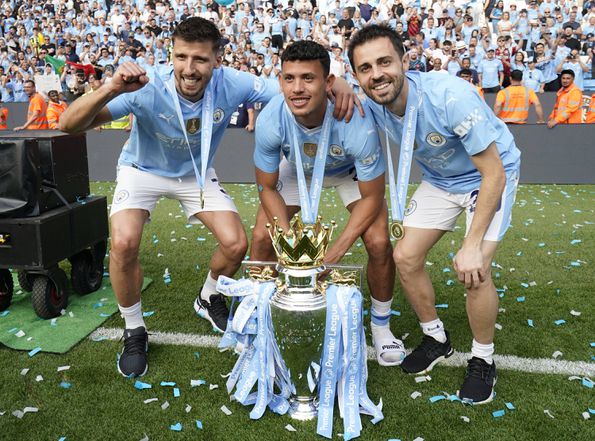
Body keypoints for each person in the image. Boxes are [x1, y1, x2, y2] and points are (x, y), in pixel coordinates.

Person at [59, 17, 358, 378]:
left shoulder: (233, 82)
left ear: (217, 59)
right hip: (142, 171)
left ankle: (208, 296)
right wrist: (110, 88)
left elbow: (292, 87)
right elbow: (69, 125)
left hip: (195, 174)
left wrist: (337, 81)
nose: (189, 68)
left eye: (200, 59)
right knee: (123, 242)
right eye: (181, 57)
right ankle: (134, 329)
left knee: (236, 244)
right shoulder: (144, 85)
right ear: (170, 55)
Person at [349, 24, 521, 404]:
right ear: (356, 75)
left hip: (487, 175)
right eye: (365, 68)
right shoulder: (371, 100)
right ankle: (436, 338)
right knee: (405, 257)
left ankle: (483, 359)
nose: (376, 74)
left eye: (384, 62)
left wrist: (473, 243)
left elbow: (493, 172)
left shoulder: (449, 96)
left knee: (474, 271)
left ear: (405, 61)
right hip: (441, 180)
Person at [251, 40, 406, 367]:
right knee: (263, 238)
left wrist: (331, 257)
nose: (297, 88)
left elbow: (373, 197)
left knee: (378, 242)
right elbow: (266, 187)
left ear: (329, 82)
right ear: (279, 81)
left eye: (308, 78)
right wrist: (286, 241)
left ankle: (381, 326)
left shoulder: (356, 120)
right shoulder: (270, 119)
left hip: (347, 170)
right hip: (297, 171)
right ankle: (257, 316)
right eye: (289, 78)